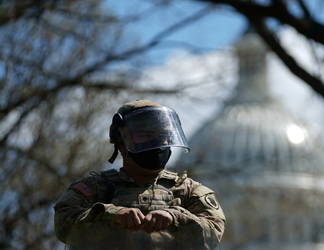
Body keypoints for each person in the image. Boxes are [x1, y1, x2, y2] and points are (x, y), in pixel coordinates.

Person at [54, 100, 225, 250]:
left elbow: (214, 230)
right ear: (121, 144)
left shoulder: (188, 190)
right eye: (145, 136)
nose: (157, 144)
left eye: (163, 136)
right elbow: (64, 224)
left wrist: (175, 216)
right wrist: (112, 214)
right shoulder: (95, 188)